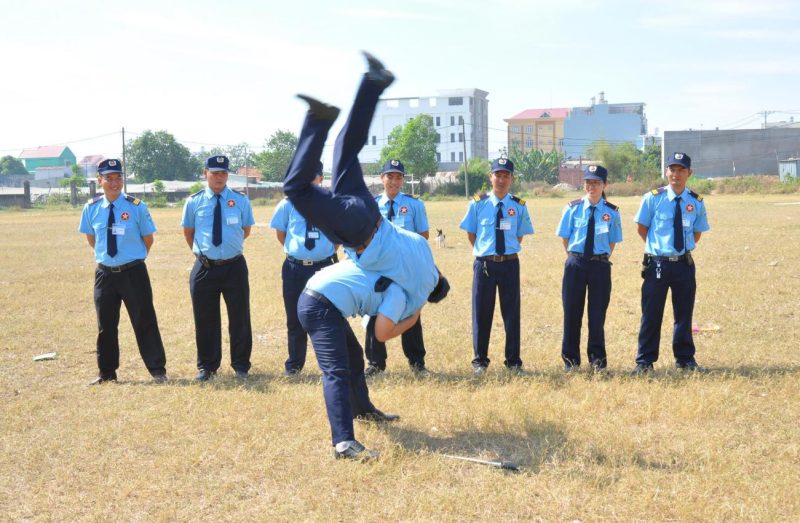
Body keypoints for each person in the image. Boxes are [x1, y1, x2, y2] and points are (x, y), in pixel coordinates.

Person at [281, 51, 441, 313]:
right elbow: (384, 324)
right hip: (360, 231)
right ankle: (318, 120)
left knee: (345, 148)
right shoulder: (411, 287)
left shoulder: (422, 251)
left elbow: (419, 242)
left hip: (367, 208)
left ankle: (374, 82)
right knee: (295, 189)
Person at [298, 258, 449, 461]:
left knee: (354, 358)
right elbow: (382, 334)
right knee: (336, 372)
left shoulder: (394, 266)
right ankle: (343, 444)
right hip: (320, 306)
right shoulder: (398, 293)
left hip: (321, 300)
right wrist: (414, 316)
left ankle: (363, 411)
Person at [78, 158, 167, 384]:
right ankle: (106, 373)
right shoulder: (91, 208)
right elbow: (92, 239)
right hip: (105, 274)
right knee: (105, 325)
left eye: (118, 178)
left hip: (133, 272)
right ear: (100, 180)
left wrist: (132, 259)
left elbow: (148, 239)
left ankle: (158, 371)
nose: (114, 183)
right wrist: (110, 258)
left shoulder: (136, 206)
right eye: (109, 178)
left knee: (144, 321)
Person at [632, 152, 710, 374]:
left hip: (684, 265)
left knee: (684, 314)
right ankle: (645, 362)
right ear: (666, 172)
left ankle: (685, 360)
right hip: (657, 263)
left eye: (681, 170)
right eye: (672, 170)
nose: (676, 174)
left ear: (689, 173)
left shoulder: (696, 201)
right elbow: (642, 228)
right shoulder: (652, 198)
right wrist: (660, 249)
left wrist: (679, 251)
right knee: (651, 314)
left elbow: (696, 233)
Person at [181, 155, 255, 381]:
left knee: (240, 317)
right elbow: (189, 232)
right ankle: (207, 367)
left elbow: (245, 229)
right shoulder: (194, 201)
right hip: (205, 268)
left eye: (223, 173)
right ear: (206, 173)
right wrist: (206, 255)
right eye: (215, 173)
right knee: (205, 318)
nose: (219, 177)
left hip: (234, 266)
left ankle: (241, 365)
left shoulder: (240, 200)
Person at [459, 158, 534, 375]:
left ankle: (513, 362)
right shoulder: (477, 203)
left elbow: (519, 236)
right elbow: (471, 234)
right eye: (497, 175)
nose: (501, 180)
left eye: (506, 176)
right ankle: (480, 361)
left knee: (512, 313)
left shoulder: (518, 205)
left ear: (512, 179)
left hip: (510, 264)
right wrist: (487, 253)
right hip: (485, 265)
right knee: (481, 313)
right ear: (490, 177)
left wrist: (503, 254)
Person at [269, 164, 338, 377]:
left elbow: (338, 235)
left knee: (329, 316)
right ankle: (295, 365)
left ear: (321, 178)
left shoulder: (331, 204)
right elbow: (281, 233)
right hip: (294, 268)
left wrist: (322, 254)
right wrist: (299, 254)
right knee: (294, 317)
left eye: (314, 176)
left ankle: (331, 363)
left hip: (324, 267)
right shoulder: (287, 204)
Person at [364, 159, 431, 376]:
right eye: (389, 176)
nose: (394, 181)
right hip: (380, 269)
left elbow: (423, 236)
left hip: (405, 269)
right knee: (375, 312)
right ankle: (375, 363)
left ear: (403, 180)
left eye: (398, 177)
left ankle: (417, 363)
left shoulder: (415, 205)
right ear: (381, 179)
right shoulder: (371, 205)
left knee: (410, 311)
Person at [556, 165, 622, 372]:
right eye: (588, 182)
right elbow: (565, 238)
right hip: (575, 264)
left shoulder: (611, 212)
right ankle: (571, 361)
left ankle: (598, 362)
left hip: (600, 266)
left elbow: (612, 241)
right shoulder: (572, 208)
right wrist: (576, 258)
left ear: (605, 185)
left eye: (596, 182)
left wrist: (598, 257)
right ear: (583, 184)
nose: (591, 186)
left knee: (597, 315)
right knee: (572, 314)